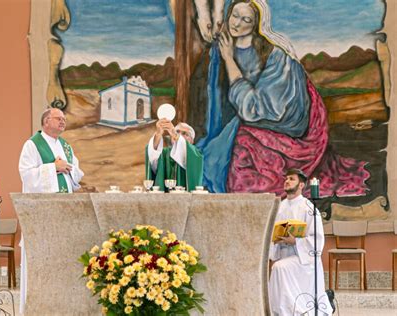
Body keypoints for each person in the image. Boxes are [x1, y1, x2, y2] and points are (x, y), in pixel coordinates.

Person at [196, 0, 370, 197]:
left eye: (246, 19)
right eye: (235, 15)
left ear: (257, 24)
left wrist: (228, 60)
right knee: (212, 153)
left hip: (284, 127)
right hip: (255, 118)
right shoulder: (225, 47)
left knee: (238, 160)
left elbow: (255, 108)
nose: (237, 23)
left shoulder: (276, 57)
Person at [18, 107, 84, 313]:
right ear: (46, 121)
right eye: (58, 118)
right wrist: (53, 167)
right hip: (42, 212)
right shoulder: (32, 145)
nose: (63, 122)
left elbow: (76, 172)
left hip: (64, 210)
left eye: (64, 119)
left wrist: (68, 168)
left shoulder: (65, 146)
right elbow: (26, 174)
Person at [268, 169, 332, 315]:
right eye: (286, 178)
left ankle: (288, 310)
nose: (287, 181)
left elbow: (317, 240)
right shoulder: (279, 206)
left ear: (301, 185)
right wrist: (276, 239)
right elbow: (271, 231)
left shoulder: (308, 208)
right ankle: (281, 309)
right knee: (278, 266)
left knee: (279, 268)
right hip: (284, 253)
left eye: (291, 179)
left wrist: (295, 241)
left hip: (304, 260)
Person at [146, 118, 203, 192]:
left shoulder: (196, 154)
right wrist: (158, 134)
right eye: (177, 132)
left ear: (192, 141)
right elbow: (153, 157)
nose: (180, 135)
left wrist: (174, 133)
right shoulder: (164, 153)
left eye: (185, 134)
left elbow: (185, 150)